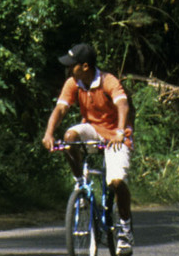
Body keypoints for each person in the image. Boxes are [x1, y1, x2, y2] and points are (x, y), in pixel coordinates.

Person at [42, 40, 132, 224]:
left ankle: (125, 225)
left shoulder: (108, 81)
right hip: (92, 129)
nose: (68, 70)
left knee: (117, 182)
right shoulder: (73, 83)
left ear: (85, 66)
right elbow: (60, 109)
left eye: (71, 66)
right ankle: (80, 183)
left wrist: (120, 132)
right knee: (70, 137)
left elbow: (122, 104)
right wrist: (49, 133)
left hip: (115, 134)